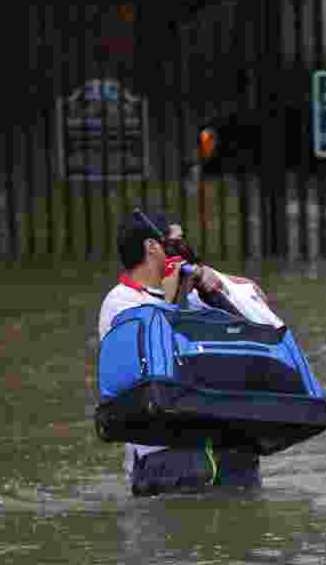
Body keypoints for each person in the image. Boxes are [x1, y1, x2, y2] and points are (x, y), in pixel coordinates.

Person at [98, 209, 266, 496]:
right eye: (176, 242)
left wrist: (219, 283)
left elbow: (258, 312)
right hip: (166, 456)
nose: (184, 250)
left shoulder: (194, 292)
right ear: (152, 246)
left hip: (228, 445)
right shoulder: (119, 303)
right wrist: (175, 294)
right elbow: (155, 352)